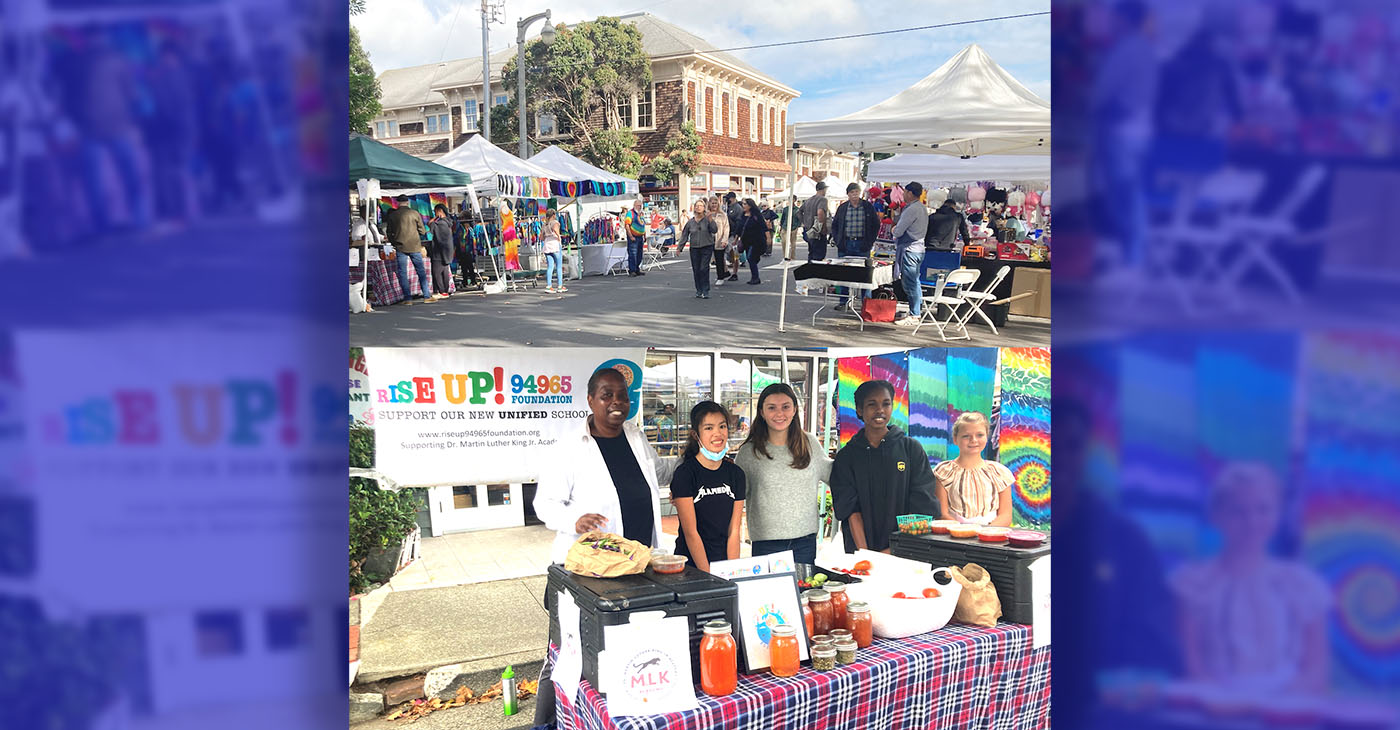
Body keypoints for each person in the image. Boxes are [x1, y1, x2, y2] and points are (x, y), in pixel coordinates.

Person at [1169, 463, 1330, 692]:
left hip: (1285, 709)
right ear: (1216, 516)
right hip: (1216, 709)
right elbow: (1190, 663)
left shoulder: (1301, 584)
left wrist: (1282, 704)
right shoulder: (1193, 585)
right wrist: (1226, 706)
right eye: (1238, 511)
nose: (1251, 522)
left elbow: (1317, 667)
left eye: (1263, 509)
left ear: (1278, 513)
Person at [533, 367, 677, 564]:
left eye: (622, 396)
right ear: (590, 400)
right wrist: (573, 521)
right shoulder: (569, 448)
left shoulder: (636, 437)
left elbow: (661, 472)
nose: (616, 401)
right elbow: (545, 504)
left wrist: (698, 458)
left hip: (639, 561)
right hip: (593, 565)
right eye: (607, 395)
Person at [830, 379, 938, 553]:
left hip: (906, 551)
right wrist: (866, 555)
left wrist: (895, 550)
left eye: (886, 403)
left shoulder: (911, 450)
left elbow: (922, 506)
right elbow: (850, 509)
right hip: (861, 554)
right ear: (859, 409)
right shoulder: (846, 457)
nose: (880, 410)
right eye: (872, 404)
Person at [736, 383, 833, 564]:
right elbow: (732, 493)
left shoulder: (810, 444)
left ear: (795, 409)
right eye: (772, 408)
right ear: (762, 412)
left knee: (805, 592)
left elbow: (837, 476)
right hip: (766, 545)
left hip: (805, 543)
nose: (779, 414)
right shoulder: (749, 452)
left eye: (786, 407)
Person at [670, 401, 747, 572]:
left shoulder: (736, 474)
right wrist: (708, 576)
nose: (717, 434)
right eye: (709, 428)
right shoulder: (685, 474)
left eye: (722, 426)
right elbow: (691, 533)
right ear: (695, 434)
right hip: (692, 567)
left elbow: (734, 530)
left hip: (723, 564)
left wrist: (732, 572)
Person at [932, 412, 1014, 526]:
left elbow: (1005, 515)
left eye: (980, 435)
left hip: (991, 537)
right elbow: (942, 514)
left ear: (987, 436)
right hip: (954, 536)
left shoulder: (999, 472)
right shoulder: (943, 471)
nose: (973, 440)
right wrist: (963, 532)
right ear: (955, 439)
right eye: (966, 436)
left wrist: (986, 533)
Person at [830, 182, 879, 309]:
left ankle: (866, 303)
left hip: (863, 244)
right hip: (846, 244)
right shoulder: (843, 208)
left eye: (857, 192)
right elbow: (835, 225)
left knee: (865, 275)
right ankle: (843, 301)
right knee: (844, 274)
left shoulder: (867, 206)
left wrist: (870, 241)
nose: (855, 195)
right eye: (852, 192)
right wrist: (838, 240)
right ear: (848, 194)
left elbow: (875, 224)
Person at [890, 181, 929, 326]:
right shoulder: (921, 207)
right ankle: (915, 311)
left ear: (910, 193)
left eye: (905, 192)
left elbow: (899, 230)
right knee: (915, 281)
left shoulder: (912, 209)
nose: (903, 194)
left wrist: (893, 230)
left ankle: (914, 315)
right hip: (917, 249)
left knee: (910, 282)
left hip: (910, 250)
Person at [386, 196, 432, 303]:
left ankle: (407, 298)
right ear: (407, 202)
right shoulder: (415, 213)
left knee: (402, 273)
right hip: (415, 246)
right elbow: (422, 231)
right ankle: (426, 296)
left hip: (400, 246)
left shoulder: (393, 215)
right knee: (420, 271)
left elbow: (389, 232)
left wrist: (394, 242)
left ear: (397, 203)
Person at [679, 199, 719, 298]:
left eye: (701, 206)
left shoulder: (707, 219)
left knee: (703, 268)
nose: (698, 207)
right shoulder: (690, 222)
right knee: (696, 269)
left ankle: (705, 290)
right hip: (694, 248)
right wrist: (680, 247)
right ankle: (699, 289)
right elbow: (684, 235)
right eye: (697, 206)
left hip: (707, 246)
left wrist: (710, 220)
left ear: (704, 207)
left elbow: (714, 230)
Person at [737, 198, 769, 285]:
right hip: (746, 240)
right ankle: (754, 274)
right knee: (750, 257)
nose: (743, 206)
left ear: (750, 205)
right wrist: (737, 238)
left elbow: (764, 227)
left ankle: (755, 277)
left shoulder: (756, 215)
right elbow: (740, 228)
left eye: (745, 204)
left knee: (751, 258)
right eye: (743, 204)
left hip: (756, 240)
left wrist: (768, 238)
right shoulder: (743, 215)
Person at [427, 204, 455, 300]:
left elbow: (429, 224)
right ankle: (445, 291)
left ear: (439, 211)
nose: (434, 213)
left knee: (437, 272)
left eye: (435, 211)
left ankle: (441, 290)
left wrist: (435, 218)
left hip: (438, 251)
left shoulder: (440, 223)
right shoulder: (448, 222)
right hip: (447, 251)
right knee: (444, 271)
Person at [799, 180, 831, 261]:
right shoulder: (822, 199)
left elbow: (798, 212)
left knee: (811, 253)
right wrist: (823, 228)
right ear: (823, 189)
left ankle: (810, 272)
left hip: (808, 230)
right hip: (817, 232)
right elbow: (820, 212)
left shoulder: (809, 200)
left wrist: (804, 222)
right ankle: (817, 273)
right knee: (819, 256)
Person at [541, 208, 566, 293]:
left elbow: (541, 237)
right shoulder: (555, 223)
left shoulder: (544, 225)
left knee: (550, 266)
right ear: (554, 215)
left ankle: (549, 286)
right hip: (554, 244)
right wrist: (559, 239)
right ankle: (560, 286)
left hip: (547, 244)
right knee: (559, 266)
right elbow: (556, 231)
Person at [708, 196, 731, 285]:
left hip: (719, 239)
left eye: (715, 203)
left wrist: (725, 240)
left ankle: (720, 276)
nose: (714, 205)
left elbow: (726, 228)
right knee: (707, 259)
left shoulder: (722, 215)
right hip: (708, 239)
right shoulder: (706, 214)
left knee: (719, 259)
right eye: (712, 203)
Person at [723, 193, 744, 282]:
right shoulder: (727, 207)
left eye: (729, 198)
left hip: (734, 233)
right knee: (726, 252)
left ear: (733, 198)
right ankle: (725, 270)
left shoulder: (737, 208)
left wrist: (737, 235)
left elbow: (739, 222)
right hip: (727, 232)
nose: (727, 200)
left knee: (734, 253)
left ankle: (735, 273)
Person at [623, 198, 647, 276]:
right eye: (638, 205)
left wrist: (644, 235)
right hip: (634, 237)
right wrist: (631, 236)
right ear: (634, 205)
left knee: (639, 254)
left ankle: (637, 269)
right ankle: (632, 270)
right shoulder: (630, 213)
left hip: (640, 237)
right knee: (633, 254)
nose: (639, 207)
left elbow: (643, 225)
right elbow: (627, 225)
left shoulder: (640, 214)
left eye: (640, 205)